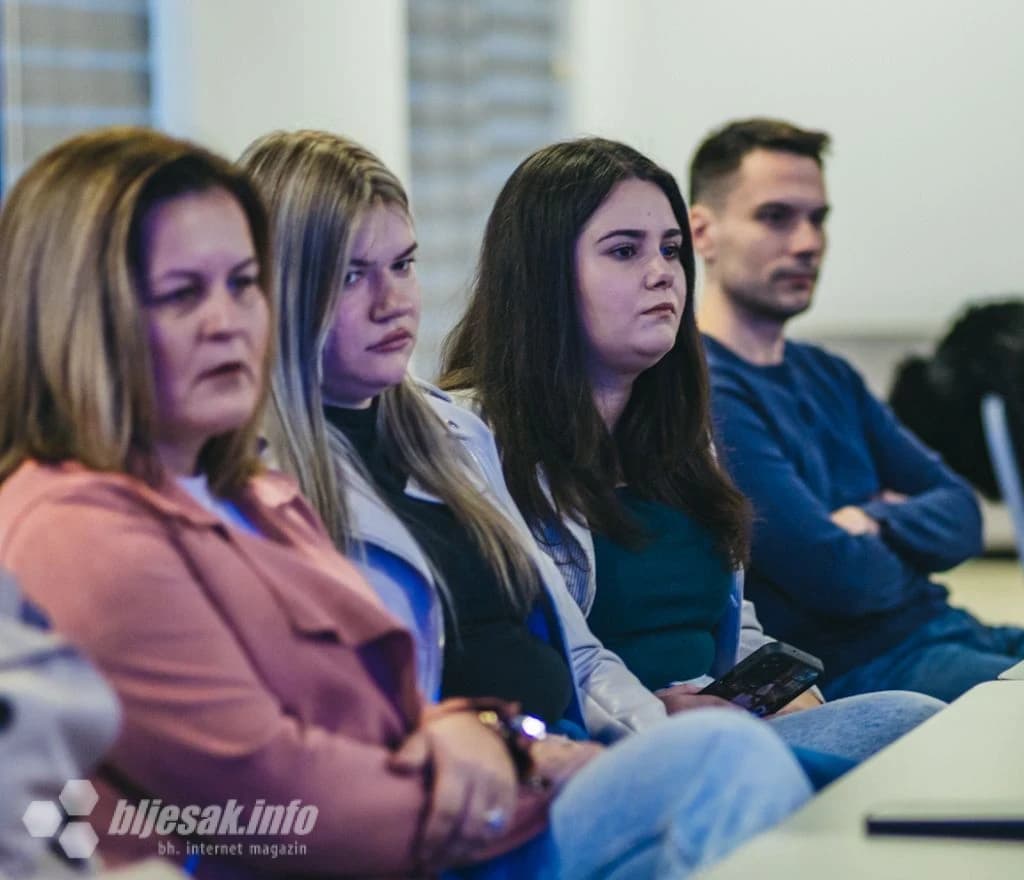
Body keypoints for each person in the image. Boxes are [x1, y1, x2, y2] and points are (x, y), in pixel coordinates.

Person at [0, 127, 811, 878]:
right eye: (183, 293)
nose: (229, 322)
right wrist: (519, 772)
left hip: (496, 782)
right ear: (80, 313)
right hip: (435, 834)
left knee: (836, 740)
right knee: (722, 767)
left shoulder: (265, 486)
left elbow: (418, 703)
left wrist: (507, 740)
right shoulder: (87, 527)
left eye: (243, 284)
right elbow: (269, 800)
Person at [440, 135, 943, 761]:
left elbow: (733, 629)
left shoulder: (678, 431)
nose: (661, 273)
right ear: (542, 276)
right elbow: (553, 660)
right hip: (605, 754)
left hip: (724, 733)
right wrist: (664, 720)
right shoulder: (470, 441)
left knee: (920, 721)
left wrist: (787, 698)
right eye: (625, 251)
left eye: (671, 251)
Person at [241, 129, 665, 743]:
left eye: (403, 265)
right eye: (353, 276)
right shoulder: (259, 483)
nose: (394, 303)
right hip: (473, 799)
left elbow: (581, 656)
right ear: (280, 289)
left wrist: (653, 742)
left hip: (575, 751)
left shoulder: (455, 434)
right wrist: (521, 759)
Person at [686, 118, 1024, 703]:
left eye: (818, 219)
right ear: (701, 232)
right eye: (776, 217)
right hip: (865, 672)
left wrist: (874, 521)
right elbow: (839, 577)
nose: (807, 242)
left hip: (950, 631)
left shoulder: (829, 374)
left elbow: (964, 515)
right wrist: (896, 540)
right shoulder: (703, 391)